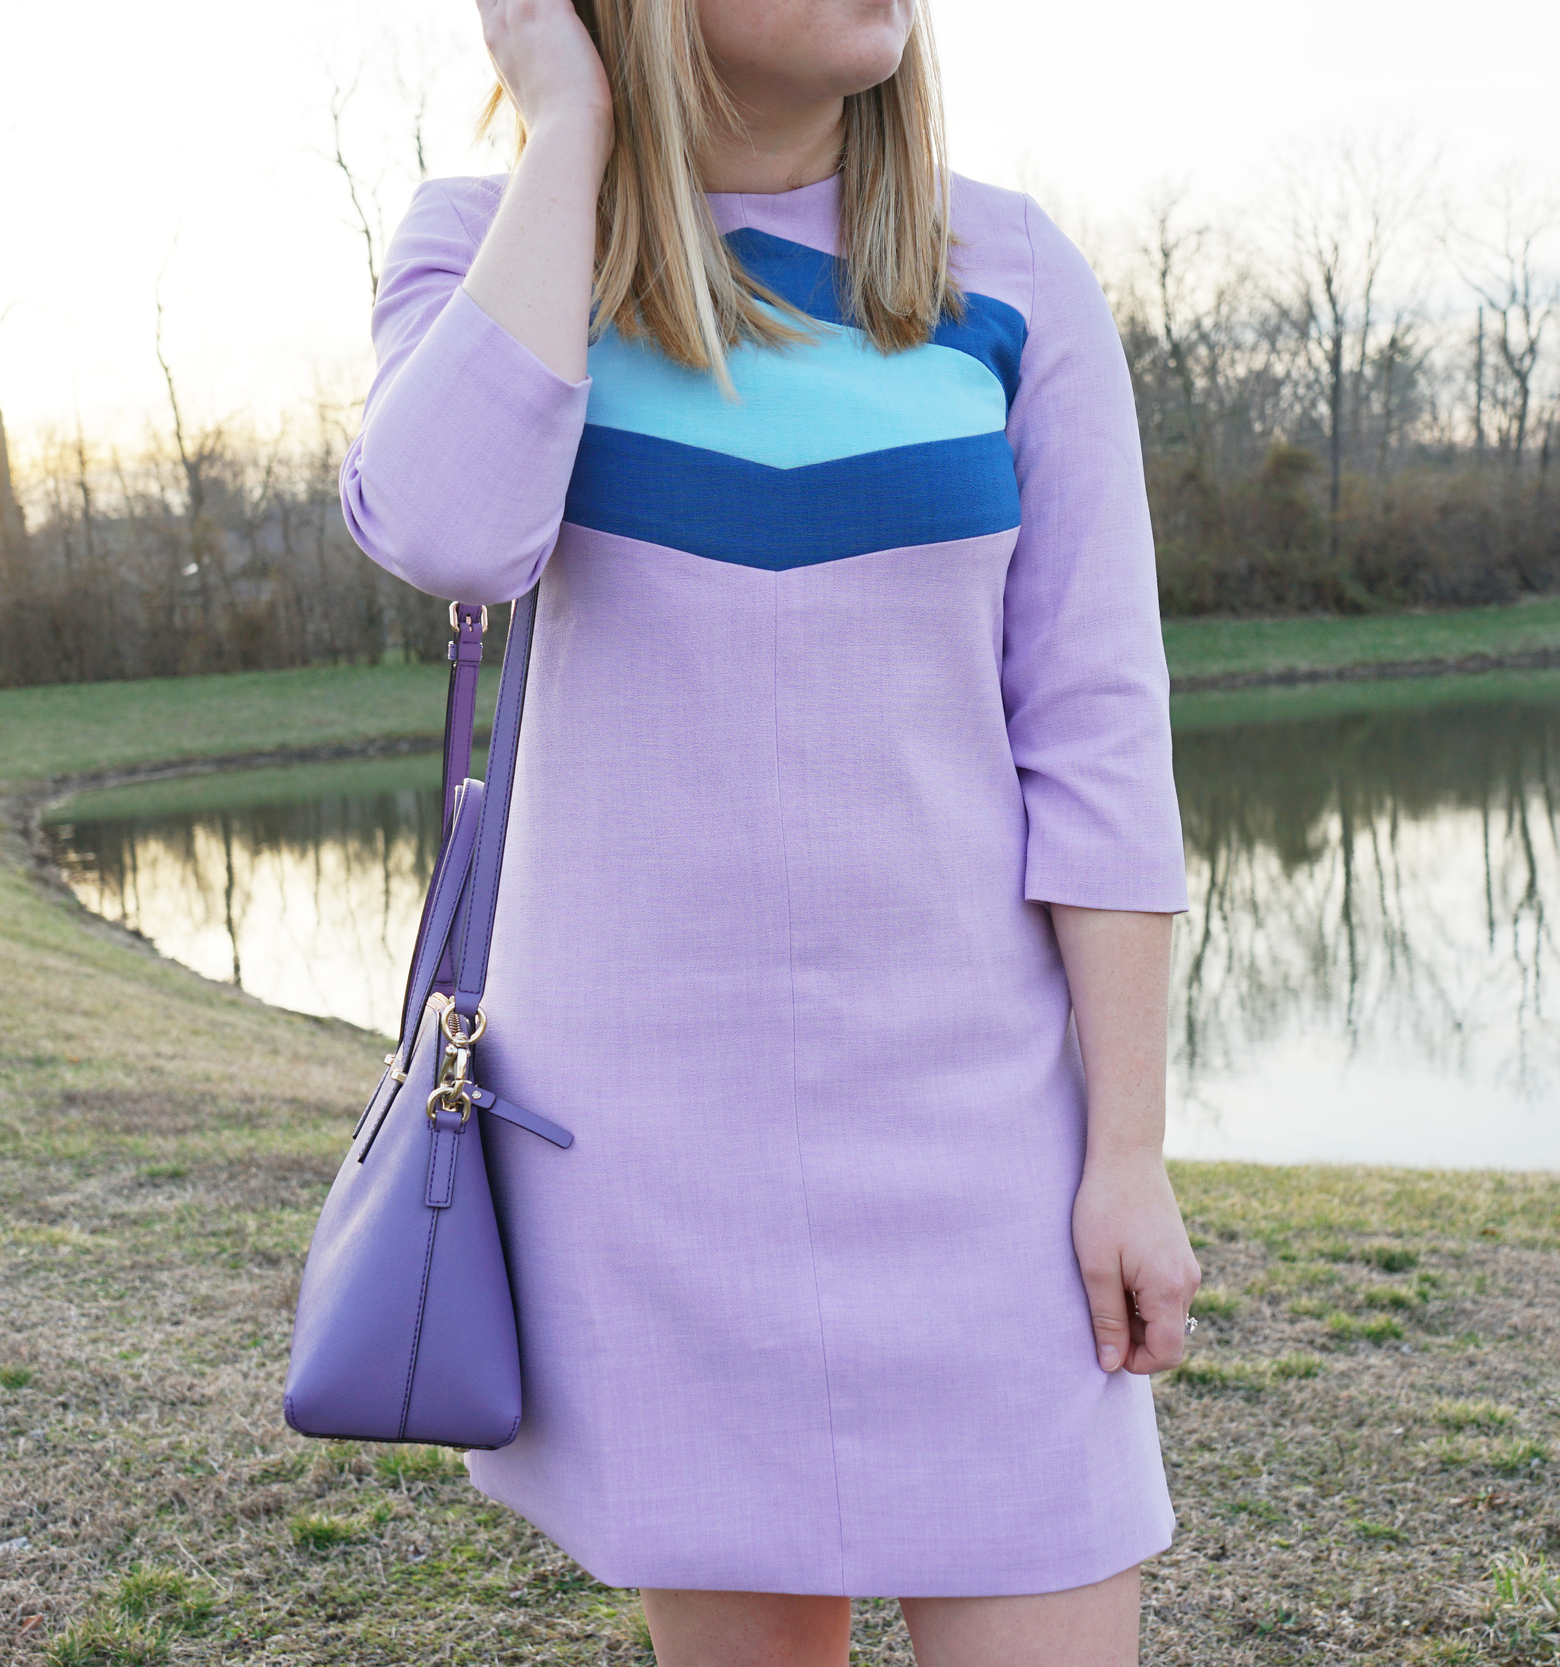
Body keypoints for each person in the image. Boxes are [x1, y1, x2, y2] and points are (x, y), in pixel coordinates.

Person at [339, 1, 1200, 1661]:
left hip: (990, 1160)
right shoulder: (494, 245)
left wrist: (1127, 1154)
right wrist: (572, 128)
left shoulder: (1014, 274)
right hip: (656, 1178)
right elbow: (449, 530)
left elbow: (1099, 743)